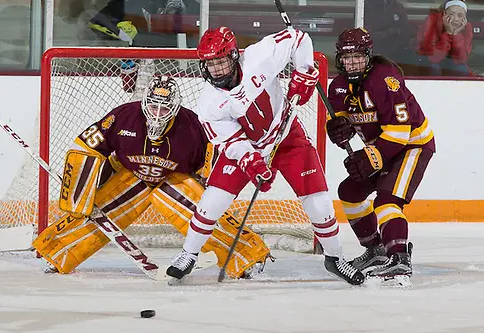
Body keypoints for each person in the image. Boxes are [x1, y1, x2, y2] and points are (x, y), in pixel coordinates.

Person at [166, 26, 365, 285]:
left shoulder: (261, 55)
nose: (215, 69)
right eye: (210, 64)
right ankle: (188, 254)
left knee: (318, 199)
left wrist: (304, 71)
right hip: (247, 146)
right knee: (212, 200)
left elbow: (299, 38)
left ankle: (335, 258)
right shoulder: (209, 103)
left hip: (287, 137)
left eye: (220, 61)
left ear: (234, 56)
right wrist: (252, 161)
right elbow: (231, 141)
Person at [32, 76, 270, 279]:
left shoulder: (193, 127)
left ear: (175, 109)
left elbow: (211, 166)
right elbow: (87, 146)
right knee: (94, 213)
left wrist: (207, 193)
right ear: (145, 102)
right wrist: (78, 192)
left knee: (205, 216)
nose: (157, 114)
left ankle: (247, 258)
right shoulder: (123, 116)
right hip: (130, 177)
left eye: (164, 109)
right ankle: (55, 251)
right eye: (153, 106)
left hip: (172, 181)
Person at [326, 28, 436, 279]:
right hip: (382, 147)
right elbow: (344, 119)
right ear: (339, 59)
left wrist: (369, 159)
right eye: (346, 57)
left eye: (357, 56)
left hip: (412, 146)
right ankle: (375, 249)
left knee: (387, 200)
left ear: (368, 56)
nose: (352, 63)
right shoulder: (339, 86)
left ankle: (399, 257)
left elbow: (400, 132)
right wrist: (338, 129)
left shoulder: (385, 79)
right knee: (349, 193)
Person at [417, 0, 473, 76]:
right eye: (451, 14)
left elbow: (461, 59)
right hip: (427, 58)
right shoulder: (432, 21)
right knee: (434, 68)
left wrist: (455, 34)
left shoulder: (466, 27)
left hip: (450, 59)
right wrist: (449, 33)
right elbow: (434, 57)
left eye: (460, 15)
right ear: (444, 14)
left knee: (462, 69)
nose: (455, 19)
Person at [364, 0, 412, 68]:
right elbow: (365, 34)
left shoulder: (397, 7)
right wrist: (388, 33)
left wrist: (392, 33)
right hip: (372, 51)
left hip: (395, 52)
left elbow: (404, 31)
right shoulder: (363, 7)